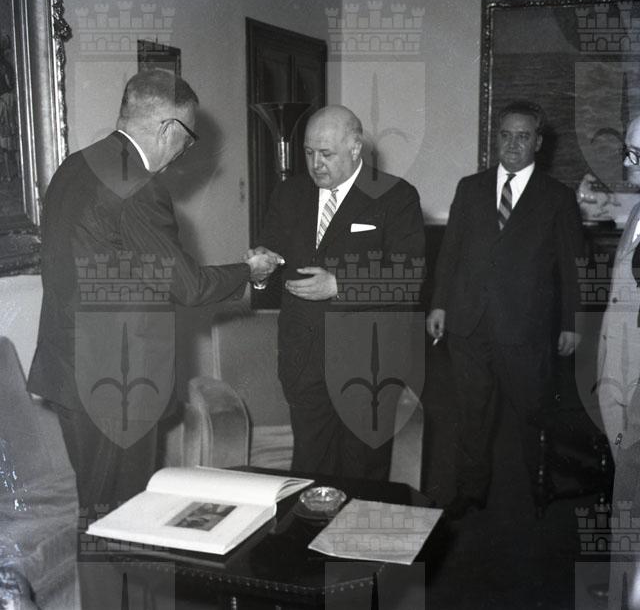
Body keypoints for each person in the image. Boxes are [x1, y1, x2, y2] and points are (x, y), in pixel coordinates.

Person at [27, 69, 280, 517]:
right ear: (168, 128)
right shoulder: (139, 187)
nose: (185, 150)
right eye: (188, 138)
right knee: (123, 517)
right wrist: (249, 270)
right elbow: (189, 286)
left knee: (96, 509)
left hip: (70, 371)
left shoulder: (73, 166)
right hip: (118, 386)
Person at [248, 105, 425, 479]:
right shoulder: (289, 193)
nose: (316, 164)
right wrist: (261, 266)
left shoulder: (395, 195)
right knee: (308, 470)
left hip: (367, 363)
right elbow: (270, 249)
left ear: (355, 148)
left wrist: (338, 284)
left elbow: (409, 276)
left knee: (362, 474)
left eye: (326, 154)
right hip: (303, 358)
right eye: (309, 152)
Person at [426, 100, 584, 518]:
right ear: (496, 138)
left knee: (533, 415)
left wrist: (571, 323)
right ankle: (471, 491)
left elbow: (573, 266)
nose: (513, 144)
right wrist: (439, 304)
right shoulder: (470, 188)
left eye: (523, 136)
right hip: (468, 322)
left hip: (525, 328)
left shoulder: (557, 197)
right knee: (471, 415)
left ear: (538, 142)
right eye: (506, 135)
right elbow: (450, 253)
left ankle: (539, 489)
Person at [598, 115, 640, 609]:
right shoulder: (636, 215)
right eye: (628, 152)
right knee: (626, 509)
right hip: (619, 380)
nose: (630, 165)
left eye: (638, 155)